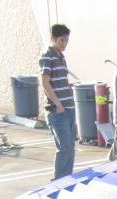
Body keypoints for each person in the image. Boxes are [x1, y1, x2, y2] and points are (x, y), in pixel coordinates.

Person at [39, 24, 75, 179]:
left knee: (70, 148)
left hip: (69, 108)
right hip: (57, 110)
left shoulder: (61, 56)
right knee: (64, 148)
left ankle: (67, 179)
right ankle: (58, 180)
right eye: (61, 40)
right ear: (52, 39)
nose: (64, 43)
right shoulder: (47, 55)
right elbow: (45, 82)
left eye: (67, 40)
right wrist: (58, 104)